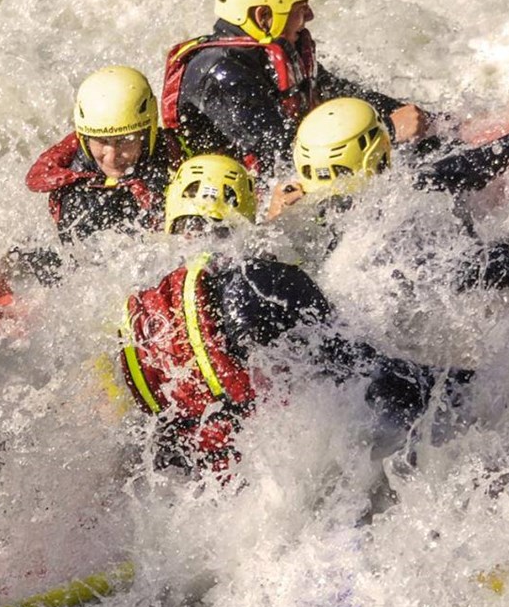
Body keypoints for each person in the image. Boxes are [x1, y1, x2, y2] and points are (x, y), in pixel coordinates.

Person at [119, 154, 461, 470]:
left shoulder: (144, 316)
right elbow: (364, 368)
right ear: (244, 216)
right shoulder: (259, 281)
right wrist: (467, 389)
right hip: (302, 464)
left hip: (212, 482)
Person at [159, 0, 428, 172]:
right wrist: (388, 130)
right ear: (263, 16)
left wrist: (423, 119)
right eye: (301, 8)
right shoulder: (220, 73)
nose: (310, 16)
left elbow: (340, 96)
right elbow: (283, 157)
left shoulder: (276, 51)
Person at [276, 96, 509, 290]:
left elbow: (450, 171)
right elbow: (466, 273)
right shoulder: (391, 213)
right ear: (373, 156)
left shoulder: (292, 218)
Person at [26, 66, 184, 244]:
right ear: (85, 138)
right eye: (101, 141)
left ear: (148, 132)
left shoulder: (174, 151)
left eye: (125, 140)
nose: (111, 157)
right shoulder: (76, 190)